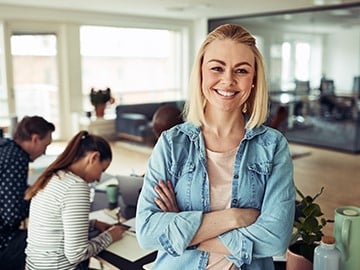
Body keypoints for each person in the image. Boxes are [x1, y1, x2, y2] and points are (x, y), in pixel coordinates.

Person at [136, 24, 295, 270]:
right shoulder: (171, 143)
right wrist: (234, 218)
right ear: (200, 72)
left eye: (241, 70)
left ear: (253, 79)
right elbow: (147, 232)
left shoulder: (272, 146)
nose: (228, 80)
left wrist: (183, 230)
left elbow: (274, 239)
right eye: (217, 68)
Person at [24, 130, 128, 270]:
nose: (98, 179)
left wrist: (94, 224)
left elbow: (57, 226)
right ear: (94, 158)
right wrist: (110, 235)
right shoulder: (76, 186)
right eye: (102, 170)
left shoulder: (54, 176)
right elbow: (76, 254)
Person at [0, 115, 55, 270]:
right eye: (45, 145)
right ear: (35, 139)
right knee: (53, 238)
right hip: (3, 242)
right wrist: (37, 198)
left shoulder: (5, 147)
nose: (44, 153)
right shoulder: (17, 158)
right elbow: (11, 216)